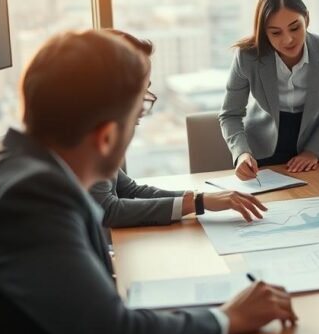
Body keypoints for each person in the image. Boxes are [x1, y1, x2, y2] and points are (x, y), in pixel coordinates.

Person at [0, 30, 296, 334]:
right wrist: (227, 318)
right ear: (105, 136)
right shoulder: (28, 198)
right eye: (139, 111)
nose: (138, 123)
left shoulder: (21, 167)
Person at [89, 29, 268, 228]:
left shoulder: (100, 129)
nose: (144, 99)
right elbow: (108, 209)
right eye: (140, 87)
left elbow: (129, 190)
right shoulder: (88, 139)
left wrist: (201, 199)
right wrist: (197, 202)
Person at [220, 0, 319, 179]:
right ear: (264, 32)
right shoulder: (247, 56)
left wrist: (313, 151)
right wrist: (241, 154)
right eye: (275, 32)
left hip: (310, 154)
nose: (288, 39)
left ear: (306, 18)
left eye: (295, 27)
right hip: (259, 156)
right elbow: (230, 114)